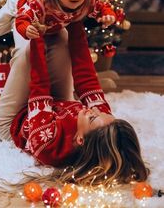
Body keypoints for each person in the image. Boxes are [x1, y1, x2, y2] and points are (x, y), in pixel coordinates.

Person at [0, 0, 115, 141]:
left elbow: (102, 8)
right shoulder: (37, 2)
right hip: (27, 11)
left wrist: (107, 16)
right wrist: (26, 28)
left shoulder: (86, 1)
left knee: (62, 36)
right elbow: (22, 22)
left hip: (52, 26)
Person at [10, 21, 150, 187]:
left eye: (92, 118)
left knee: (27, 49)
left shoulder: (48, 144)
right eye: (103, 113)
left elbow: (39, 86)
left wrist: (36, 38)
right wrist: (75, 20)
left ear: (80, 140)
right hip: (55, 105)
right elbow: (86, 76)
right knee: (61, 35)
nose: (94, 110)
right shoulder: (102, 121)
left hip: (17, 116)